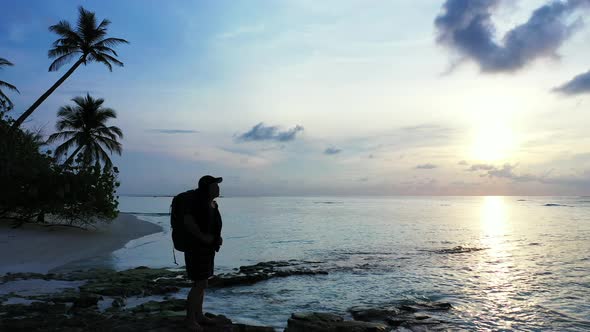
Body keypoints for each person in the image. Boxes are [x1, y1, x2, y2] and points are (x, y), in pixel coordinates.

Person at [182, 175, 223, 331]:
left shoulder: (213, 204)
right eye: (215, 185)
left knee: (203, 282)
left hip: (208, 249)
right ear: (208, 187)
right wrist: (203, 237)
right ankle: (190, 319)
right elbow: (188, 222)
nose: (218, 188)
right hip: (196, 249)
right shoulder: (197, 203)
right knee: (199, 283)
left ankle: (199, 315)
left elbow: (213, 225)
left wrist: (216, 238)